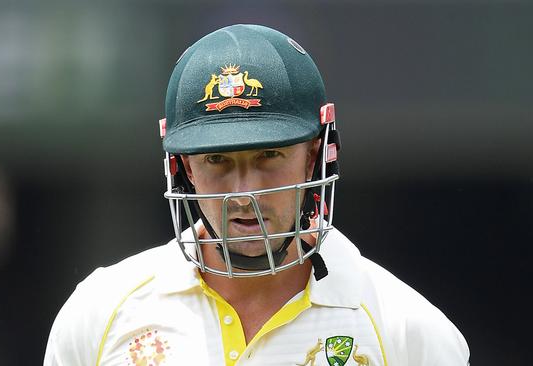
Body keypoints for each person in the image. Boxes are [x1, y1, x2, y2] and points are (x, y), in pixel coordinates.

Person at [44, 24, 470, 366]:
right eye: (217, 161)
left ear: (314, 156)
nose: (244, 193)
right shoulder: (100, 312)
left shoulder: (406, 331)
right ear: (185, 167)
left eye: (269, 155)